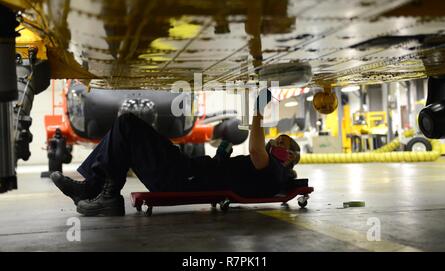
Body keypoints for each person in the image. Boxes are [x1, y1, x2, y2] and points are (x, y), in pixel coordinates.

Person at [51, 89, 301, 216]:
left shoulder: (276, 172)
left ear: (289, 157)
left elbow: (257, 149)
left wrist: (257, 111)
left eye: (281, 142)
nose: (275, 143)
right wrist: (222, 159)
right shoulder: (271, 172)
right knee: (128, 128)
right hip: (188, 170)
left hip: (182, 178)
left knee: (128, 125)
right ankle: (97, 192)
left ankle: (100, 193)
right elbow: (240, 171)